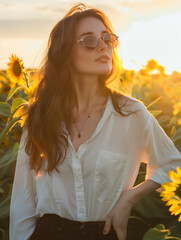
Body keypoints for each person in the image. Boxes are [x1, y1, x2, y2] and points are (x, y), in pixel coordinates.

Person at [9, 2, 181, 240]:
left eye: (107, 39)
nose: (103, 47)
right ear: (65, 54)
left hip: (105, 233)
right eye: (89, 41)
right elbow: (23, 201)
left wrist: (129, 198)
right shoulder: (41, 116)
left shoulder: (131, 114)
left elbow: (173, 163)